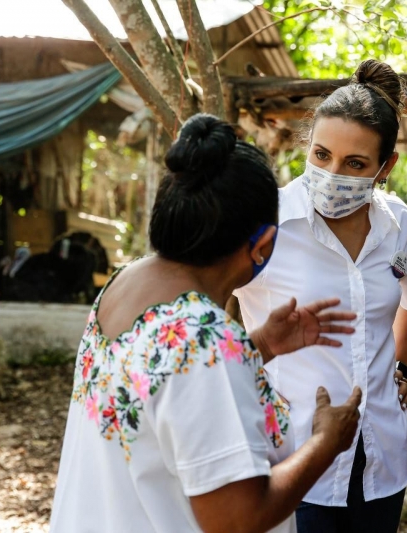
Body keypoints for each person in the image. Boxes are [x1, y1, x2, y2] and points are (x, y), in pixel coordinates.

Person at [49, 114, 364, 533]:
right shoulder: (206, 341)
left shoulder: (126, 283)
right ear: (263, 245)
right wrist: (327, 442)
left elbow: (163, 384)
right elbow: (236, 519)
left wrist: (260, 344)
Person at [235, 59, 407, 533]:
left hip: (382, 455)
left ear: (386, 168)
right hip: (295, 460)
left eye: (355, 163)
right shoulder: (267, 224)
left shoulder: (397, 223)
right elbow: (208, 313)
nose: (332, 173)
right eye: (321, 155)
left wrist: (402, 368)